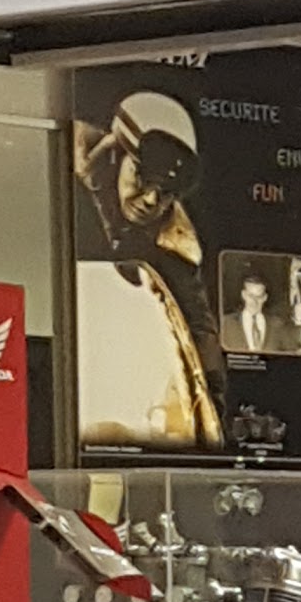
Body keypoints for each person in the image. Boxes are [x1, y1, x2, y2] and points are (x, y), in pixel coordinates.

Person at [73, 90, 225, 445]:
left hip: (135, 401)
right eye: (142, 177)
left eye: (166, 192)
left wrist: (214, 398)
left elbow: (199, 327)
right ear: (114, 153)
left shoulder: (175, 251)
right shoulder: (67, 192)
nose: (152, 200)